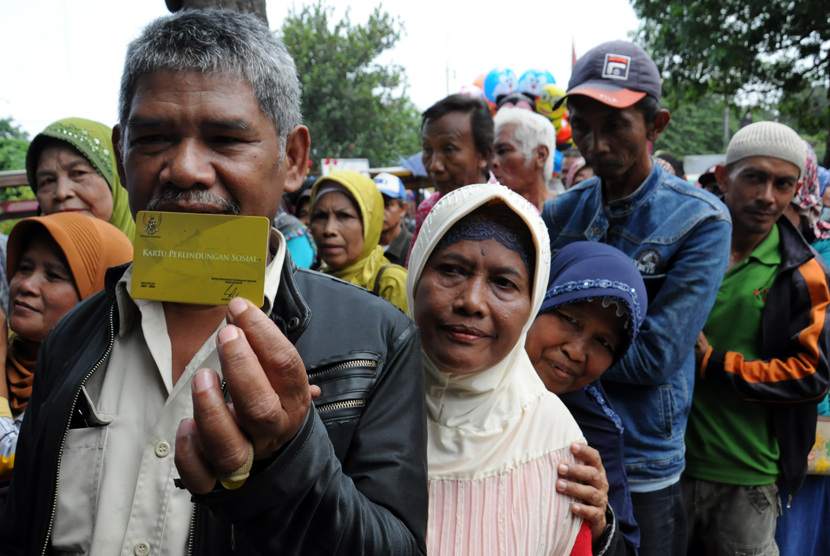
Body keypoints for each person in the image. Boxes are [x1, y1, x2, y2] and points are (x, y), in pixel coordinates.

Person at [0, 10, 428, 555]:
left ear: (292, 159)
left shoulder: (377, 341)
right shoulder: (70, 339)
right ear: (121, 155)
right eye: (153, 138)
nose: (185, 169)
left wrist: (286, 461)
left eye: (226, 139)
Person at [542, 40, 732, 556]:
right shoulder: (560, 215)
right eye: (582, 124)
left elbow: (657, 356)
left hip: (641, 460)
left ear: (656, 125)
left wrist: (555, 346)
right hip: (555, 441)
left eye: (616, 124)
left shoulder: (701, 222)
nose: (595, 142)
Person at [407, 183, 592, 556]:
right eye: (452, 270)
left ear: (532, 303)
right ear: (414, 275)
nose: (472, 301)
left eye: (504, 283)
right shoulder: (357, 407)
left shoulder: (556, 446)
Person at [684, 121, 830, 555]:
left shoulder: (803, 273)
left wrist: (716, 364)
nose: (768, 196)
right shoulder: (685, 246)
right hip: (668, 469)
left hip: (749, 478)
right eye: (755, 178)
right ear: (725, 177)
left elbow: (811, 375)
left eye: (783, 184)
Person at [526, 241, 648, 556]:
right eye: (570, 319)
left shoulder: (593, 434)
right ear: (537, 299)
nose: (576, 351)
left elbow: (625, 548)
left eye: (603, 342)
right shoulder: (457, 380)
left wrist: (600, 523)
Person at [0, 212, 133, 483]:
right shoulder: (9, 356)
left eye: (53, 275)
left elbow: (16, 459)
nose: (26, 285)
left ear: (94, 295)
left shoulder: (96, 390)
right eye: (24, 268)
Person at [408, 94, 494, 266]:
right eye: (427, 149)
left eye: (449, 149)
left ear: (483, 155)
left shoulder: (518, 216)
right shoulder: (427, 210)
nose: (434, 166)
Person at [310, 170, 408, 312]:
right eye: (320, 216)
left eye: (344, 216)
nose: (329, 230)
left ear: (369, 223)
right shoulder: (313, 281)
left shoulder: (392, 283)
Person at [25, 117, 136, 239]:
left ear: (117, 177)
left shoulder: (154, 253)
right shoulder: (26, 254)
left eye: (79, 173)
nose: (61, 193)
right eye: (48, 181)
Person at [492, 107, 557, 211]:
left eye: (503, 151)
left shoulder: (570, 213)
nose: (493, 162)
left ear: (541, 155)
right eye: (491, 154)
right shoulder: (487, 215)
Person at [373, 172, 413, 267]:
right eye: (375, 204)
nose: (379, 211)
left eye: (387, 204)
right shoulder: (362, 247)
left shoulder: (414, 248)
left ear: (403, 209)